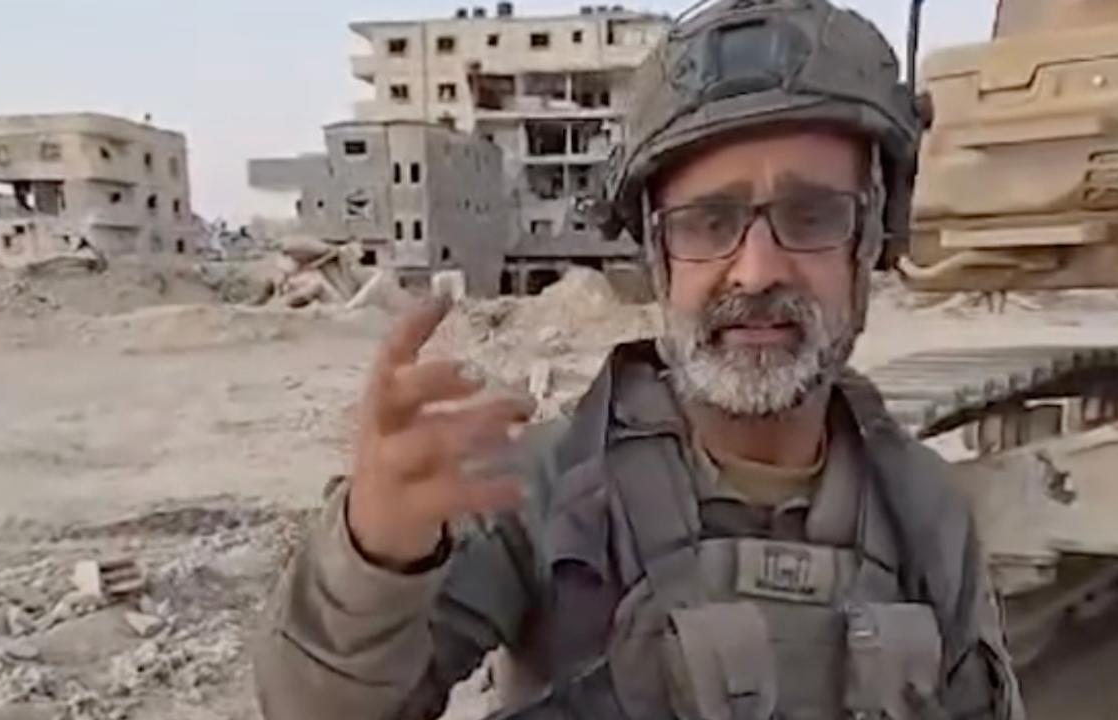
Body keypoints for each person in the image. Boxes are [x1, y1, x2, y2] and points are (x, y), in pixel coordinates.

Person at [251, 0, 1027, 718]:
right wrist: (372, 562)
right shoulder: (545, 493)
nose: (757, 270)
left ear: (873, 240)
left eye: (812, 215)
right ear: (657, 255)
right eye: (708, 222)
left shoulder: (924, 517)